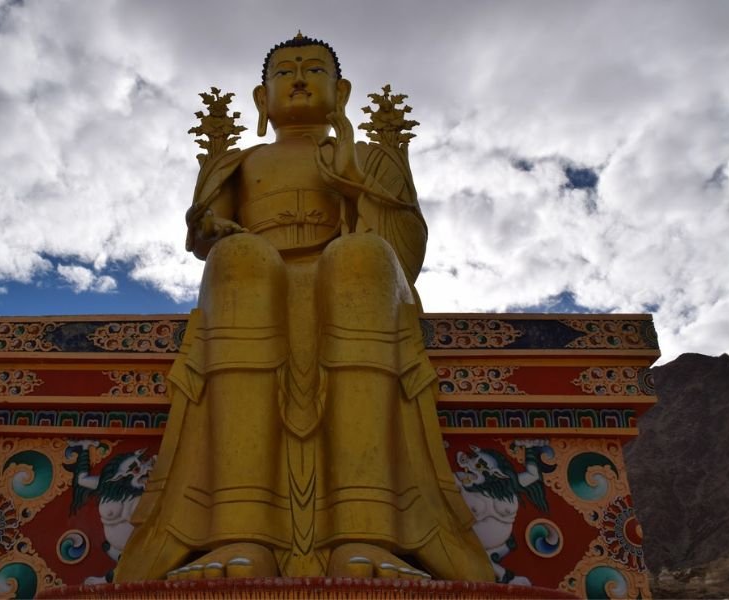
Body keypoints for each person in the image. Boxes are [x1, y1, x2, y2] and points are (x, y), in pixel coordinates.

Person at [112, 34, 493, 582]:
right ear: (260, 100)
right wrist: (216, 226)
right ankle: (239, 537)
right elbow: (205, 230)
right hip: (255, 279)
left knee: (360, 256)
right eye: (283, 73)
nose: (297, 78)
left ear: (340, 91)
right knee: (238, 257)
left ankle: (365, 537)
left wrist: (354, 180)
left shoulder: (362, 157)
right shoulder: (243, 162)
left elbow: (402, 246)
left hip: (349, 279)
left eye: (313, 70)